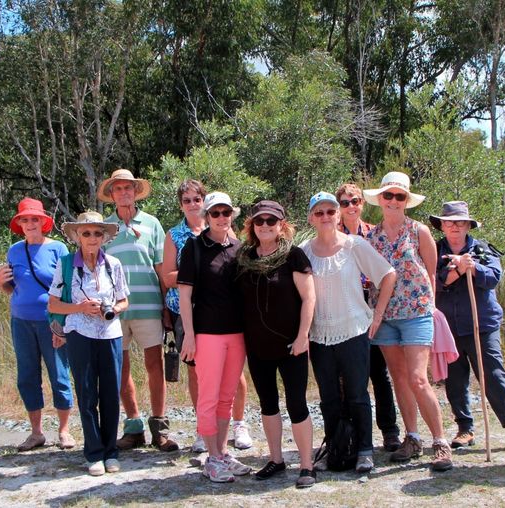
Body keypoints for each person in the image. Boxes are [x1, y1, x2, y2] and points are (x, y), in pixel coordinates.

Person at [300, 192, 396, 474]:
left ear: (338, 215)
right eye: (319, 213)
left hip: (354, 330)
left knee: (356, 394)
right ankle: (336, 449)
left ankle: (365, 450)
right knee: (328, 396)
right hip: (320, 335)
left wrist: (377, 315)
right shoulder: (304, 250)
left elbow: (387, 274)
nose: (326, 217)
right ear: (311, 218)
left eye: (331, 211)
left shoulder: (354, 245)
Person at [363, 171, 453, 472]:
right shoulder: (371, 237)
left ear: (406, 201)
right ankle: (412, 438)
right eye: (388, 195)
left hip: (416, 313)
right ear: (380, 199)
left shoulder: (419, 231)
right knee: (399, 378)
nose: (393, 201)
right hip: (385, 316)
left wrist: (431, 308)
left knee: (418, 378)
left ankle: (440, 442)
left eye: (399, 196)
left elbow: (431, 272)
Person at [431, 201, 505, 455]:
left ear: (467, 225)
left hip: (481, 325)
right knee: (454, 381)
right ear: (442, 225)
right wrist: (456, 269)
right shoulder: (432, 250)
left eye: (460, 222)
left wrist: (472, 266)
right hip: (449, 328)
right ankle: (465, 428)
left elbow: (493, 278)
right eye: (449, 222)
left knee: (494, 377)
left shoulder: (482, 249)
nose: (454, 226)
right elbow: (433, 282)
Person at [160, 180, 252, 453]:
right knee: (203, 383)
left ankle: (228, 439)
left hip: (233, 326)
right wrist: (199, 274)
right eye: (216, 213)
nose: (221, 217)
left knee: (231, 385)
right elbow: (170, 279)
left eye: (226, 213)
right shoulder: (185, 241)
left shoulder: (236, 245)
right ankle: (209, 442)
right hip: (197, 322)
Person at [236, 200, 317, 488]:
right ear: (252, 226)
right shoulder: (244, 258)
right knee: (268, 405)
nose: (266, 225)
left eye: (272, 220)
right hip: (258, 348)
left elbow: (309, 298)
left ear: (282, 224)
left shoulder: (294, 256)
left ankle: (307, 465)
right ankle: (276, 459)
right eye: (260, 221)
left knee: (297, 404)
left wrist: (302, 336)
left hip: (291, 346)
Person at [98, 169, 178, 451]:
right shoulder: (104, 228)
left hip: (148, 305)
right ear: (111, 195)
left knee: (154, 365)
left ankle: (160, 429)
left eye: (128, 188)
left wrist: (167, 305)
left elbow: (160, 267)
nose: (123, 193)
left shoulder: (152, 224)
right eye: (118, 189)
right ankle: (133, 427)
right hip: (115, 311)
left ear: (135, 192)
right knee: (120, 368)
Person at [47, 212, 129, 476]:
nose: (92, 238)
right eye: (86, 233)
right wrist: (80, 307)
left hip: (110, 334)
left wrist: (113, 309)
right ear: (77, 237)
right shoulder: (66, 264)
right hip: (79, 334)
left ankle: (111, 451)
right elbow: (53, 304)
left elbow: (124, 300)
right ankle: (93, 453)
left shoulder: (113, 264)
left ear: (104, 237)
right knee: (86, 394)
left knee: (110, 395)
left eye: (97, 233)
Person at [0, 197, 75, 452]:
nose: (30, 223)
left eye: (34, 219)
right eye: (25, 219)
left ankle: (64, 430)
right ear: (19, 223)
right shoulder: (14, 251)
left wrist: (60, 324)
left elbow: (67, 290)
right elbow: (10, 287)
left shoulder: (58, 249)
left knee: (59, 374)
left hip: (50, 320)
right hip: (21, 320)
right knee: (27, 376)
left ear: (43, 222)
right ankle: (36, 432)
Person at [335, 182, 402, 451]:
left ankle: (389, 431)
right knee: (345, 378)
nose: (351, 206)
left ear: (363, 203)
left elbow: (387, 273)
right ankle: (349, 434)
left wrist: (379, 312)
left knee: (379, 372)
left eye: (355, 201)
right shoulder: (332, 235)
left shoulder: (374, 235)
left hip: (373, 307)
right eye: (345, 202)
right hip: (344, 309)